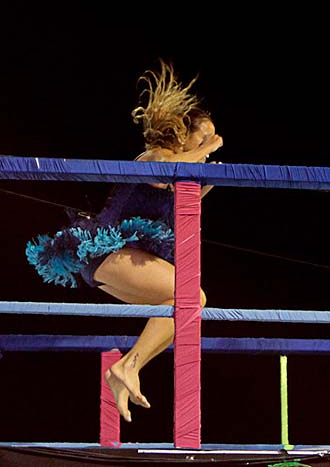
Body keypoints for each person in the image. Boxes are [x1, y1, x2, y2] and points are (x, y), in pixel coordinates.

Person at [25, 59, 223, 422]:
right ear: (182, 133)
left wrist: (208, 177)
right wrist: (211, 147)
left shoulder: (183, 166)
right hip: (106, 253)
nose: (210, 144)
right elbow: (169, 174)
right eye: (204, 136)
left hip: (117, 263)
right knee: (191, 296)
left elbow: (184, 193)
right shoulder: (156, 157)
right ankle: (128, 366)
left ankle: (126, 370)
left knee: (182, 305)